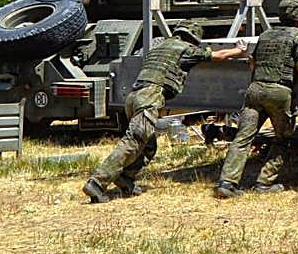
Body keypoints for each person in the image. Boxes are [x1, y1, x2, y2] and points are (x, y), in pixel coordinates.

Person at [83, 20, 245, 203]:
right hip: (150, 97)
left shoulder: (160, 48)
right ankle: (97, 182)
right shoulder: (185, 49)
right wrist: (239, 50)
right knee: (134, 141)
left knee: (148, 146)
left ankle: (125, 179)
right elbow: (219, 55)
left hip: (134, 96)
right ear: (192, 38)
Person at [214, 0, 298, 199]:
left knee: (243, 138)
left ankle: (226, 183)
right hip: (279, 93)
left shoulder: (266, 34)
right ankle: (264, 183)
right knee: (283, 138)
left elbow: (252, 64)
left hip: (254, 90)